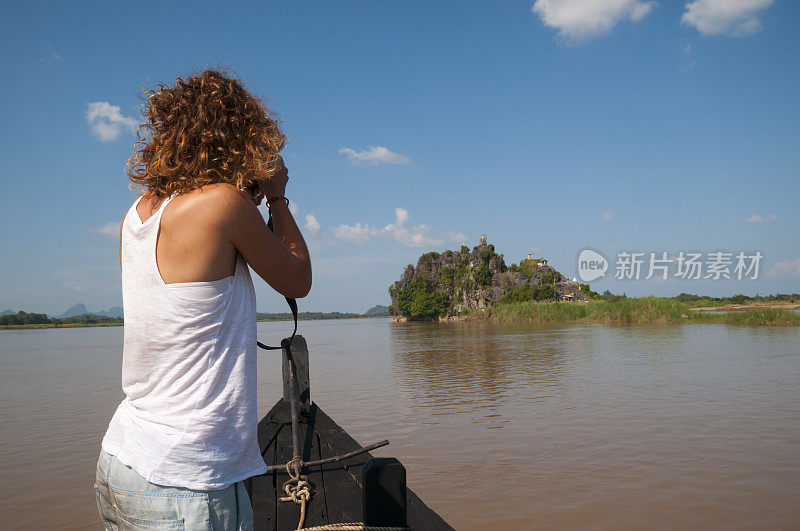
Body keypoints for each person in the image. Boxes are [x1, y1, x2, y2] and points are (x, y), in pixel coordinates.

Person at [94, 69, 311, 530]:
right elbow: (297, 280)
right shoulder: (224, 204)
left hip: (122, 459)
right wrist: (276, 198)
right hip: (187, 480)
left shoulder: (134, 216)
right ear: (238, 138)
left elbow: (196, 278)